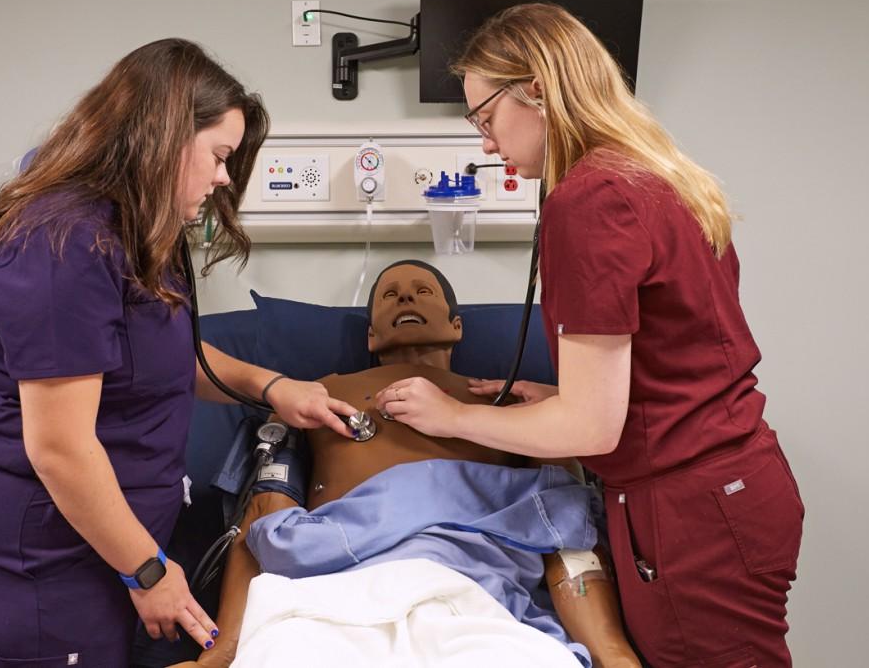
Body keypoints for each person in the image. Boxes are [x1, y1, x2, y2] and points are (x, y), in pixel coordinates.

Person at [373, 3, 804, 668]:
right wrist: (562, 392)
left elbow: (591, 431)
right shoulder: (654, 177)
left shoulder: (589, 201)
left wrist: (454, 414)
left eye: (486, 119)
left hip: (693, 513)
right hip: (734, 487)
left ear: (537, 89)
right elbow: (681, 354)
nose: (486, 143)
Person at [0, 38, 357, 668]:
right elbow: (59, 447)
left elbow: (160, 356)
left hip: (106, 543)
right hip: (42, 556)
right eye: (218, 156)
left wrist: (272, 387)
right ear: (162, 136)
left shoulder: (129, 230)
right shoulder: (63, 242)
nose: (222, 178)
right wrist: (149, 572)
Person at [173, 260, 640, 668]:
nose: (405, 300)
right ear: (371, 334)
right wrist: (222, 654)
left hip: (474, 583)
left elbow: (567, 529)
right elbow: (261, 519)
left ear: (456, 325)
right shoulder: (317, 394)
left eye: (422, 292)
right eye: (390, 296)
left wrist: (612, 655)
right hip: (340, 580)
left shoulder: (511, 401)